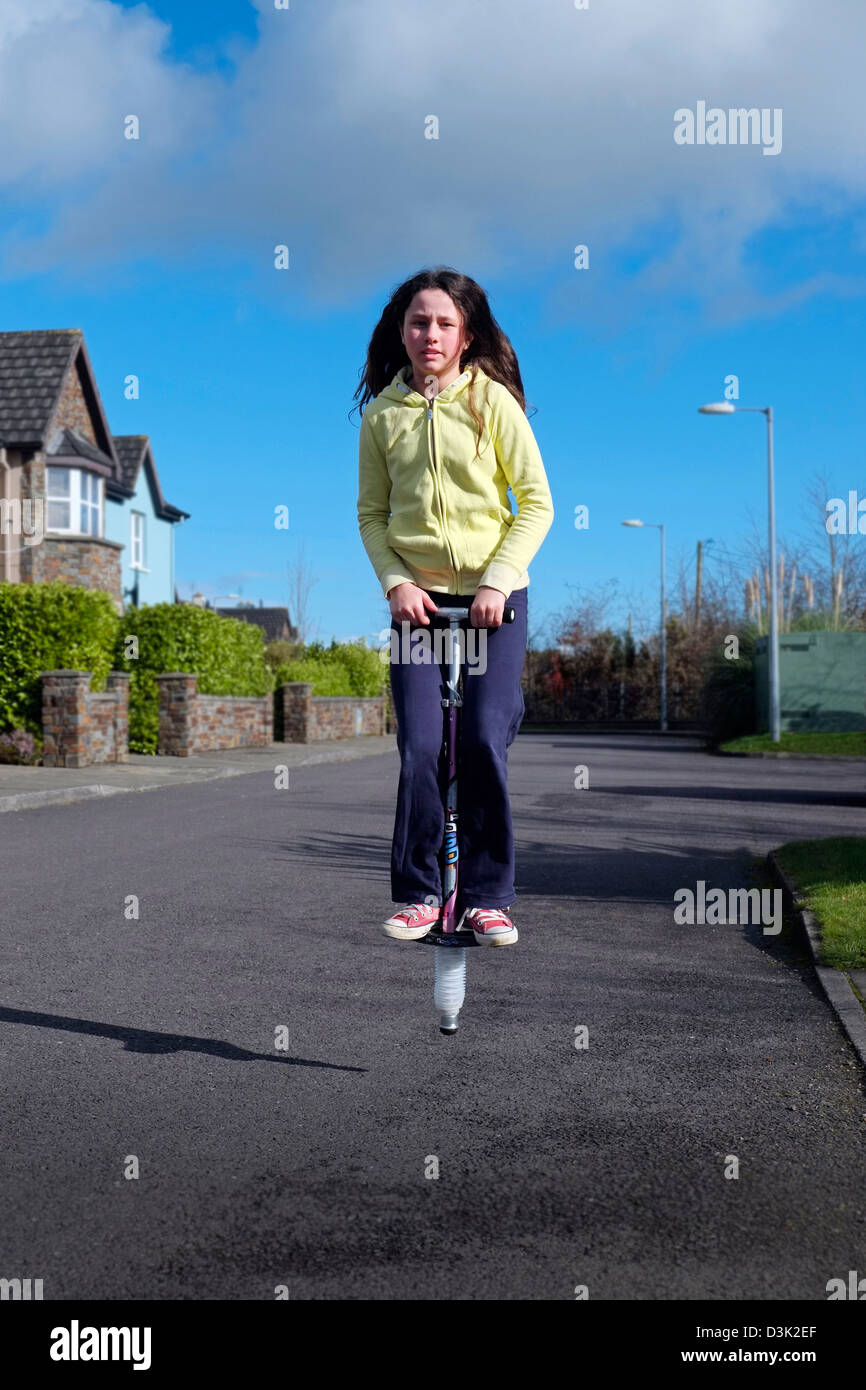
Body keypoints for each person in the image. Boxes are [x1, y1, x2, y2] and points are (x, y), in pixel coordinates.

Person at [355, 267, 554, 946]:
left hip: (497, 599)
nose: (429, 334)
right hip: (420, 605)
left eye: (444, 323)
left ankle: (487, 898)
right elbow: (372, 516)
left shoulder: (492, 403)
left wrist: (499, 579)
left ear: (467, 335)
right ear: (401, 331)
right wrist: (395, 583)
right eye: (418, 322)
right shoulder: (384, 416)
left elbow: (535, 504)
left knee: (480, 742)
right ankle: (416, 894)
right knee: (419, 747)